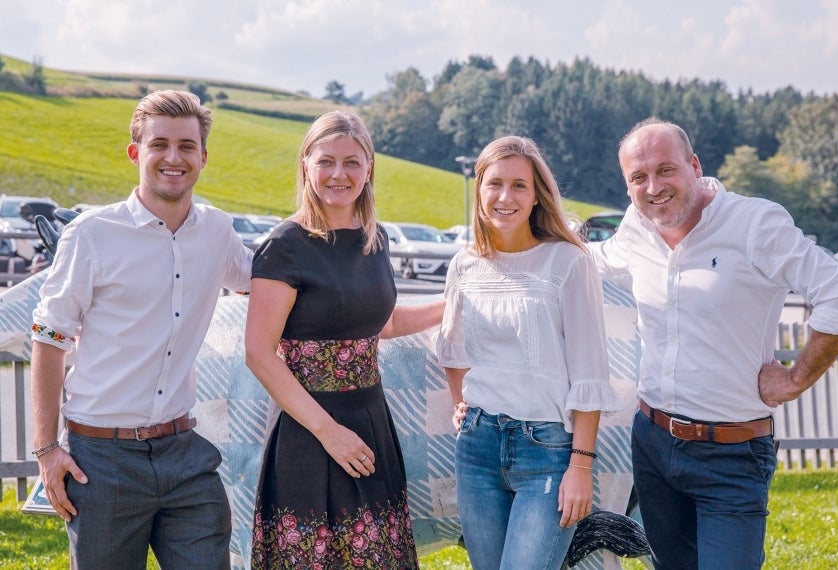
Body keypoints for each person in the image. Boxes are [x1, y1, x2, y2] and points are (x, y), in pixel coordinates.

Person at [590, 117, 838, 569]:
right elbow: (594, 261)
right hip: (652, 442)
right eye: (638, 177)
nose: (653, 187)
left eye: (665, 169)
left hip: (732, 454)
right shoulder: (637, 226)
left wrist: (795, 379)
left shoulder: (755, 224)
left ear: (694, 165)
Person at [29, 90, 253, 568]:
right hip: (100, 461)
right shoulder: (91, 235)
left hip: (184, 454)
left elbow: (273, 284)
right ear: (137, 153)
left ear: (204, 156)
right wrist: (47, 450)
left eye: (187, 146)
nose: (174, 158)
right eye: (160, 145)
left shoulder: (218, 232)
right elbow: (48, 339)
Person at [245, 110, 444, 569]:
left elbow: (383, 324)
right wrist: (329, 433)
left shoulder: (377, 240)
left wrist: (453, 302)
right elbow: (258, 353)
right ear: (306, 166)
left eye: (352, 162)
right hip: (307, 428)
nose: (339, 174)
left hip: (371, 421)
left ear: (369, 167)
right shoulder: (285, 246)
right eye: (327, 161)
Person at [434, 135, 621, 570]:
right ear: (479, 189)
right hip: (477, 447)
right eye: (495, 183)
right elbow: (451, 346)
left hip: (548, 450)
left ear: (537, 195)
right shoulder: (465, 264)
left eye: (519, 185)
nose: (505, 196)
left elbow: (589, 373)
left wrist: (580, 467)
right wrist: (462, 401)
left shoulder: (568, 262)